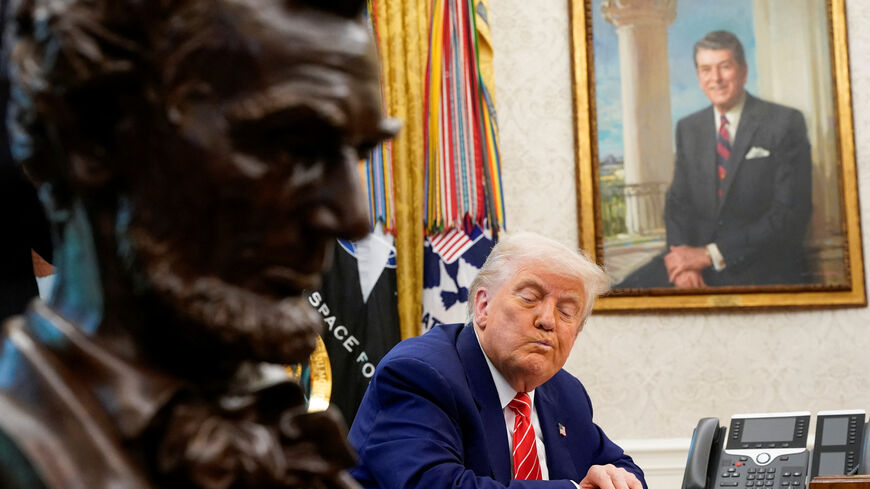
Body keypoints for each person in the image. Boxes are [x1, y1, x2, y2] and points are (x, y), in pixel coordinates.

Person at [0, 1, 397, 488]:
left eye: (356, 153)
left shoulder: (293, 435)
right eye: (289, 147)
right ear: (96, 141)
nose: (353, 218)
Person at [349, 231, 646, 489]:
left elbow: (624, 469)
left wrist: (612, 478)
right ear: (482, 305)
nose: (547, 321)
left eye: (567, 312)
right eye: (530, 298)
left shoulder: (565, 393)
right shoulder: (419, 374)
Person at [617, 30, 812, 289]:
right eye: (706, 69)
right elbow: (677, 203)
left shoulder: (784, 122)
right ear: (698, 77)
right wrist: (681, 262)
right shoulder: (689, 128)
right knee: (620, 295)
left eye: (725, 67)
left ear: (743, 71)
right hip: (694, 261)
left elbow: (790, 214)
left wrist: (710, 255)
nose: (716, 79)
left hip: (757, 263)